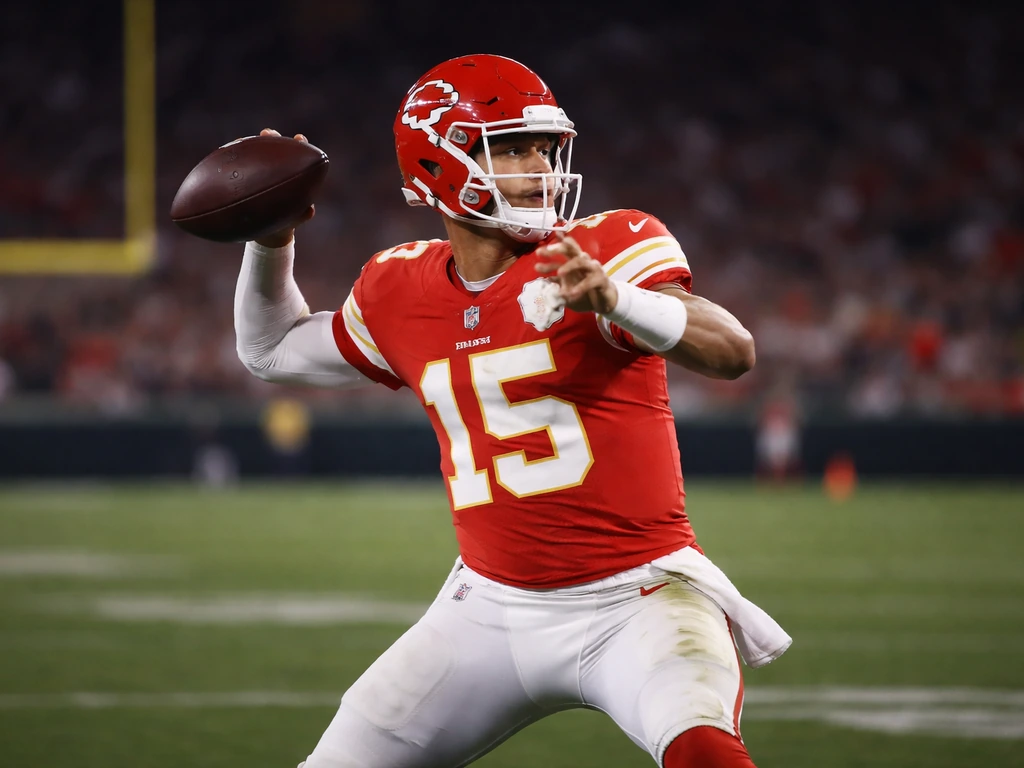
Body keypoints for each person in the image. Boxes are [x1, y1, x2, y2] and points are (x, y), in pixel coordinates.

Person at [234, 54, 791, 768]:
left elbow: (732, 350)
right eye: (509, 148)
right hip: (487, 610)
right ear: (439, 164)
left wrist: (617, 300)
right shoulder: (398, 286)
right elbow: (271, 348)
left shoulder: (601, 251)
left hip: (639, 598)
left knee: (705, 754)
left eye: (543, 146)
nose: (540, 167)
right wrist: (269, 239)